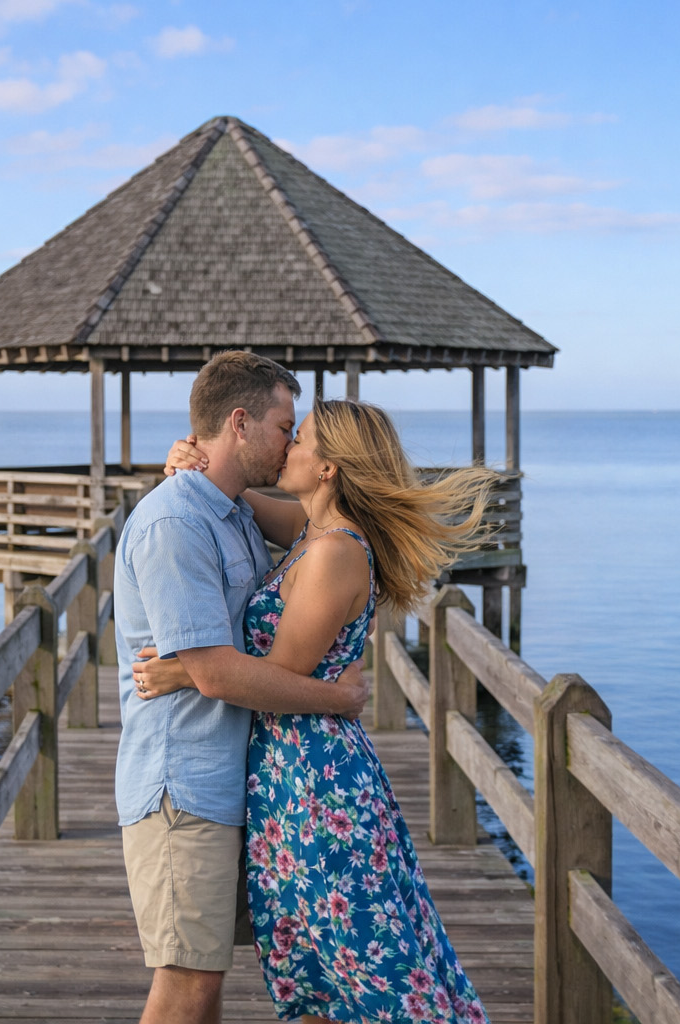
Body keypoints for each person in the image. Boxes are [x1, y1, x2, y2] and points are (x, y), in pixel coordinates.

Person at [133, 398, 494, 1024]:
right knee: (316, 973)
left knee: (366, 965)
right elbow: (234, 495)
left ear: (327, 467)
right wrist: (189, 465)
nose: (285, 449)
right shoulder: (310, 530)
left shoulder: (334, 552)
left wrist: (185, 668)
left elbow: (284, 672)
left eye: (297, 439)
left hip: (317, 782)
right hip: (288, 777)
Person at [113, 352, 371, 1024]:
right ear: (240, 423)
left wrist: (194, 464)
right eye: (286, 425)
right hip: (185, 783)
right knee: (187, 981)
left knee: (207, 978)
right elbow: (214, 671)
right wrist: (339, 699)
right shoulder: (177, 524)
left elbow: (321, 540)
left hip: (240, 783)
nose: (291, 439)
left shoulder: (234, 513)